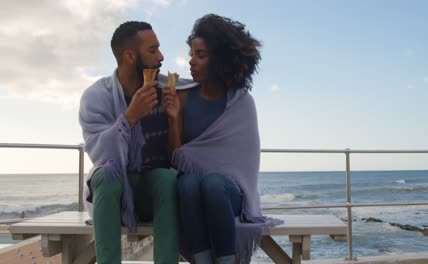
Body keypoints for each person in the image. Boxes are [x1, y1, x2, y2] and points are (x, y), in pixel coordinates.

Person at [167, 14, 282, 264]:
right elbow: (177, 159)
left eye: (201, 55)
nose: (191, 62)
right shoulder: (183, 96)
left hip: (229, 192)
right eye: (191, 54)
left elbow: (244, 162)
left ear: (219, 60)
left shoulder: (240, 102)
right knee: (186, 184)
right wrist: (174, 117)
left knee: (214, 184)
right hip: (192, 189)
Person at [79, 21, 195, 264]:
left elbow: (207, 88)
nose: (161, 57)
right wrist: (130, 117)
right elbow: (100, 156)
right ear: (130, 56)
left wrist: (175, 119)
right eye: (153, 50)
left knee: (166, 178)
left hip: (153, 193)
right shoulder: (96, 97)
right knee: (105, 175)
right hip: (115, 196)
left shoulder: (167, 89)